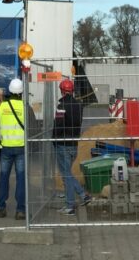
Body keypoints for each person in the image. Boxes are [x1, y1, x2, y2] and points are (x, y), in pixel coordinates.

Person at [52, 77, 91, 216]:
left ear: (62, 90)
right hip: (74, 144)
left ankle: (70, 206)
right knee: (67, 174)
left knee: (66, 175)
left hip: (62, 144)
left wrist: (53, 139)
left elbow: (58, 125)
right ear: (72, 90)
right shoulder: (78, 105)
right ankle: (83, 195)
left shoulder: (61, 106)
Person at [0, 78, 27, 219]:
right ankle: (20, 210)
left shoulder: (2, 107)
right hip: (21, 147)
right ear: (21, 92)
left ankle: (1, 207)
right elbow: (32, 128)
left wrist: (1, 140)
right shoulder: (25, 107)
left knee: (4, 177)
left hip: (6, 147)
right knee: (21, 178)